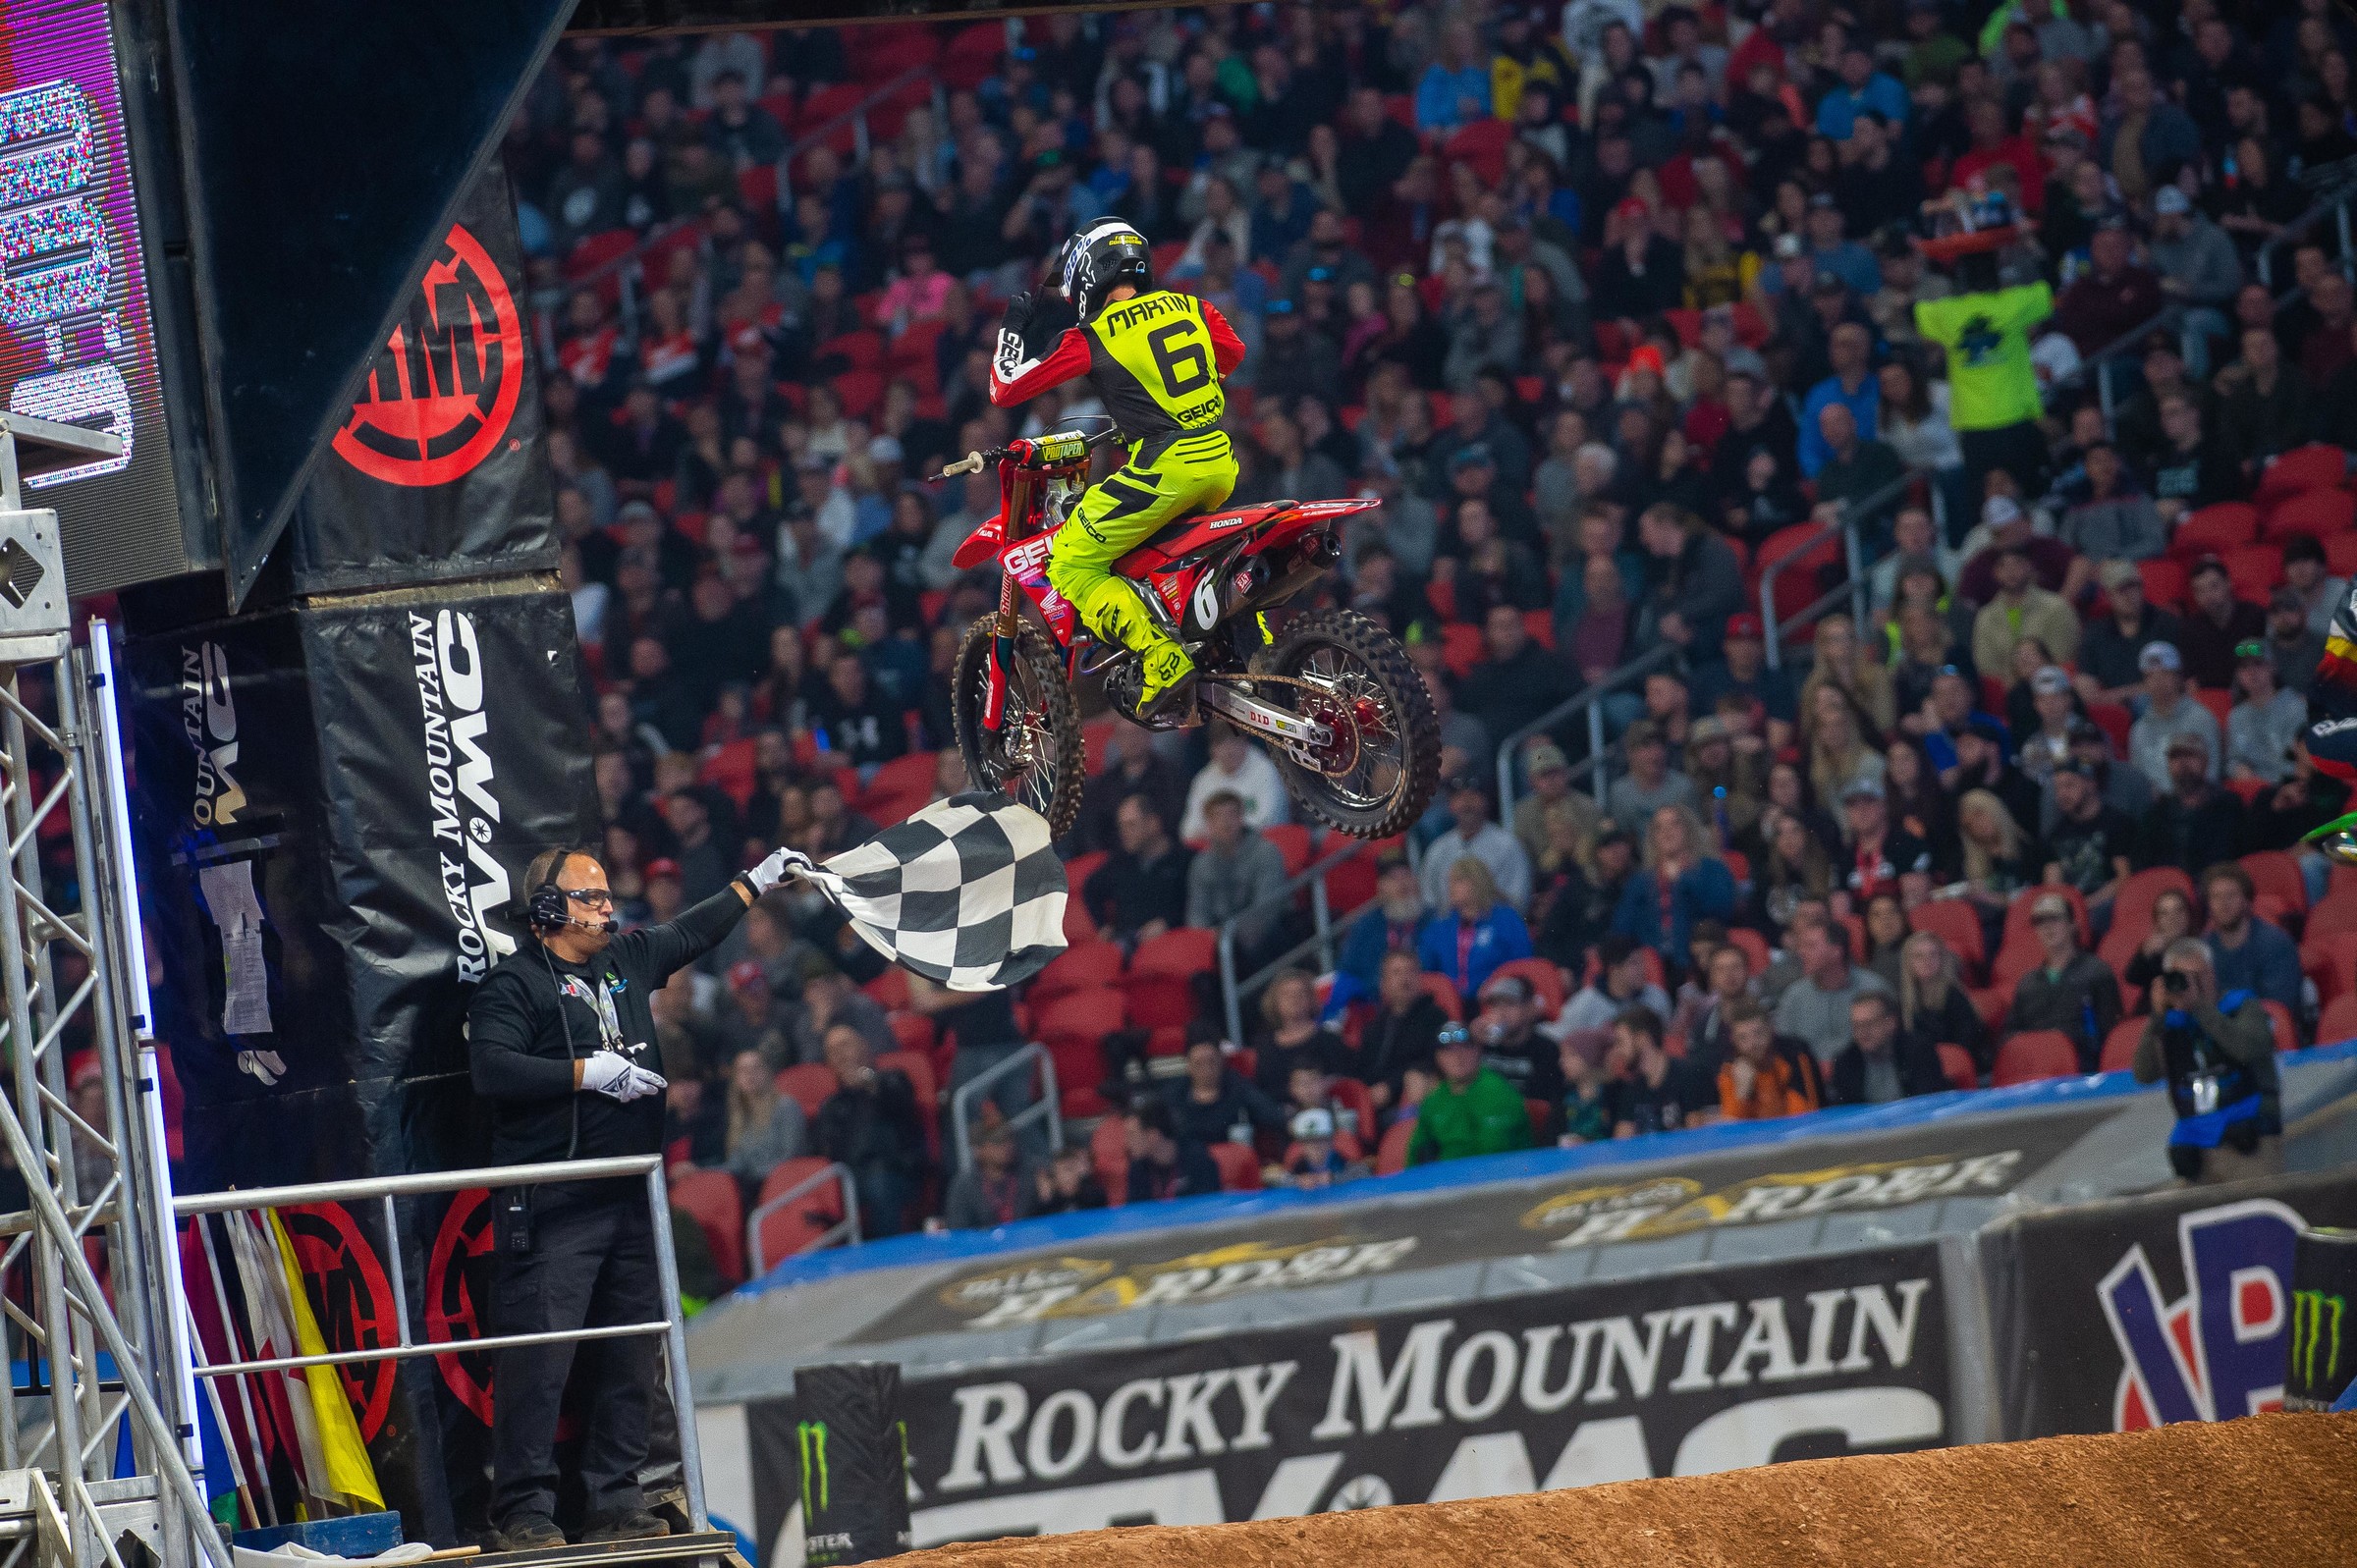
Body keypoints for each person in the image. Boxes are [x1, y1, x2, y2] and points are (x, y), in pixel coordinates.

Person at [467, 841, 788, 1549]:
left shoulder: (626, 961)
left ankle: (616, 1498)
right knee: (539, 1363)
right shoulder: (513, 984)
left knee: (629, 1359)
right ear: (549, 907)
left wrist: (751, 883)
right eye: (591, 896)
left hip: (631, 1197)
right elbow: (491, 1068)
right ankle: (523, 1509)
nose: (607, 907)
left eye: (609, 894)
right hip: (552, 1203)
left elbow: (689, 931)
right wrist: (584, 1072)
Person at [989, 221, 1248, 717]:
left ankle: (1161, 659)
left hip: (1165, 469)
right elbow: (1232, 355)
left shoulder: (1093, 335)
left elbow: (1005, 389)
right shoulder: (1193, 305)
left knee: (1067, 561)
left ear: (1089, 271)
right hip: (1220, 461)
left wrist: (1013, 329)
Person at [2133, 938, 2282, 1181]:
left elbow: (2248, 1049)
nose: (2189, 983)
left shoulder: (2241, 1006)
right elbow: (2143, 1073)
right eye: (2180, 976)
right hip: (2197, 1147)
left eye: (2196, 975)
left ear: (2211, 973)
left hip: (2250, 1139)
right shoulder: (2171, 1024)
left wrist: (2200, 1008)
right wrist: (2157, 1017)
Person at [810, 1022, 927, 1235]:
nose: (840, 1055)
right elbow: (828, 1150)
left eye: (845, 1046)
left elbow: (902, 1108)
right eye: (832, 1052)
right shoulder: (832, 1105)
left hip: (897, 1171)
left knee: (879, 1184)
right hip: (851, 1178)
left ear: (864, 1047)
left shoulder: (893, 1080)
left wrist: (869, 1083)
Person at [2004, 892, 2121, 1069]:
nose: (2047, 926)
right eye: (2040, 921)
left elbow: (2110, 1035)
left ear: (2072, 924)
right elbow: (2009, 1035)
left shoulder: (2097, 972)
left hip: (2083, 1070)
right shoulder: (2027, 983)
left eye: (2054, 918)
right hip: (2035, 1070)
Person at [1612, 804, 1736, 958]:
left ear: (1688, 830)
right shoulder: (1640, 881)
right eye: (1659, 827)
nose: (1666, 831)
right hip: (1652, 963)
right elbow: (1622, 927)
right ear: (1653, 837)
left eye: (1674, 824)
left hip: (1701, 960)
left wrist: (1685, 879)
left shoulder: (1713, 869)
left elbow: (1721, 911)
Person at [1185, 790, 1289, 967]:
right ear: (1208, 824)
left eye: (1231, 815)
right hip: (1221, 939)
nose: (1225, 823)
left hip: (1265, 936)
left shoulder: (1266, 852)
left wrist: (1228, 935)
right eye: (1217, 817)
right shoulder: (1201, 863)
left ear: (1241, 817)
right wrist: (1207, 937)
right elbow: (1197, 913)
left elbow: (1267, 908)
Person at [1407, 1022, 1535, 1163]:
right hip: (1450, 1180)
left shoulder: (1498, 1092)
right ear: (1438, 1058)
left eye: (1464, 1048)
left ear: (1477, 1051)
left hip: (1501, 1178)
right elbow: (1417, 1153)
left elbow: (1493, 1150)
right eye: (1448, 1051)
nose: (1457, 1057)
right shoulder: (1435, 1100)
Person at [1772, 920, 1891, 1068]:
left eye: (1810, 946)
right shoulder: (1793, 996)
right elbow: (1784, 1048)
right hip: (1811, 1080)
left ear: (1836, 951)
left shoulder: (1874, 989)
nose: (1801, 952)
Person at [1416, 856, 1534, 1001]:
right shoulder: (1440, 926)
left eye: (1457, 880)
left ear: (1476, 883)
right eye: (1450, 881)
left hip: (1496, 1000)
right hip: (1450, 1003)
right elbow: (1424, 967)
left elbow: (1522, 965)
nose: (1450, 886)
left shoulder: (1506, 919)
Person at [1084, 792, 1191, 946]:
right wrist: (1103, 925)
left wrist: (1168, 923)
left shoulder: (1184, 860)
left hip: (1171, 943)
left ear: (1153, 823)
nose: (1124, 833)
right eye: (1121, 826)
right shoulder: (1120, 862)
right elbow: (1091, 888)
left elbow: (1194, 904)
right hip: (1126, 943)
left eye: (1131, 825)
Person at [1420, 775, 1535, 912]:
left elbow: (1519, 900)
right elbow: (1429, 901)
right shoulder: (1438, 849)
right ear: (1451, 805)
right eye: (1460, 798)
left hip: (1496, 925)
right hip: (1450, 927)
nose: (1466, 804)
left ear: (1485, 802)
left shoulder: (1507, 844)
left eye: (1473, 797)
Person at [2201, 862, 2303, 1014]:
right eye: (2216, 897)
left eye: (2231, 895)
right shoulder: (2203, 948)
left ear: (2247, 900)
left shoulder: (2275, 944)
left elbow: (2279, 1008)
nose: (2223, 903)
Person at [2140, 732, 2245, 879]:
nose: (2183, 763)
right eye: (2175, 757)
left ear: (2205, 761)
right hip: (2170, 892)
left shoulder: (2229, 805)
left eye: (2190, 755)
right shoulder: (2157, 813)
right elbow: (2144, 865)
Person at [2044, 760, 2135, 920]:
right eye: (2058, 788)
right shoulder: (2056, 833)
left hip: (2108, 904)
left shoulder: (2118, 824)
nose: (2062, 794)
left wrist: (2085, 905)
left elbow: (2123, 878)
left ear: (2091, 784)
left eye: (2069, 785)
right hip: (2071, 909)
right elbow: (2053, 883)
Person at [1603, 1004, 1712, 1137]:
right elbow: (1622, 1142)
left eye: (1620, 1042)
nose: (1617, 1051)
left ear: (1642, 1039)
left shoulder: (1687, 1075)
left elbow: (1697, 1137)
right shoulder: (1632, 1089)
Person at [1361, 948, 1448, 1112]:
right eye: (1396, 973)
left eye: (1410, 972)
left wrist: (1391, 1087)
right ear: (1383, 983)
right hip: (1373, 1102)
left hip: (1410, 1100)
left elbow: (1433, 1061)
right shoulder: (1375, 1026)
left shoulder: (1435, 1018)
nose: (1404, 979)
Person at [2128, 644, 2220, 795]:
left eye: (2165, 674)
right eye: (2151, 676)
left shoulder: (2201, 719)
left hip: (2195, 803)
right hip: (2156, 810)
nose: (2158, 682)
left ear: (2178, 678)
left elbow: (2211, 775)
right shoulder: (2139, 730)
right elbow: (2138, 781)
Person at [1828, 991, 1948, 1104]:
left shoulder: (1918, 1051)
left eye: (1869, 1023)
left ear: (1891, 1023)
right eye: (1857, 1025)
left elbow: (1930, 1103)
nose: (1862, 1032)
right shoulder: (1845, 1062)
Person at [1166, 1036, 1286, 1147]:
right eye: (1199, 1064)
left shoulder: (1239, 1087)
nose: (1206, 1069)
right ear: (1189, 1066)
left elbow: (1272, 1114)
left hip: (1235, 1162)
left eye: (1211, 1061)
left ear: (1221, 1060)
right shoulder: (1175, 1095)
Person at [1897, 929, 1989, 1074]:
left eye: (1933, 954)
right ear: (1908, 962)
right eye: (1918, 956)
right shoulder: (1903, 1000)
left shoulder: (1955, 997)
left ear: (1942, 959)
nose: (1926, 961)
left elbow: (1964, 1047)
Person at [1553, 932, 1672, 1038]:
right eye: (1633, 963)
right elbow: (1562, 1039)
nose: (1642, 969)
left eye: (1642, 962)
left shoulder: (1657, 998)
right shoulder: (1584, 1004)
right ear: (1613, 969)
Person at [719, 1048, 806, 1189]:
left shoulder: (786, 1106)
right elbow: (736, 1165)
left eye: (756, 1068)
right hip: (751, 1186)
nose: (750, 1074)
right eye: (743, 1070)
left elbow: (791, 1157)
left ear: (767, 1072)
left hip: (785, 1185)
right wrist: (699, 1171)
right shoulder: (739, 1116)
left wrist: (753, 1176)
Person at [1717, 1000, 1815, 1120]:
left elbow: (1806, 1115)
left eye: (1758, 1033)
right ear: (1733, 1040)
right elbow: (1731, 1128)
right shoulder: (1729, 1070)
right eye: (1743, 1037)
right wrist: (1742, 1093)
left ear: (1770, 1030)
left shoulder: (1793, 1056)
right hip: (1754, 1138)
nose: (1753, 1043)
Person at [2227, 640, 2307, 785]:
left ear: (2272, 667)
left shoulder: (2296, 707)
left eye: (2258, 664)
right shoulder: (2236, 716)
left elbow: (2299, 761)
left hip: (2290, 785)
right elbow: (2233, 759)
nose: (2251, 672)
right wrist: (2237, 768)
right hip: (2254, 790)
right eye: (2244, 667)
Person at [1124, 1095, 1224, 1200]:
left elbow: (1211, 1205)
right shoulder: (1137, 1168)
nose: (1126, 1143)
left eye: (1132, 1135)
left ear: (1153, 1136)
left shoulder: (1198, 1159)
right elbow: (1134, 1210)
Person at [941, 1119, 1028, 1229]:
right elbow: (958, 1230)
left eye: (1009, 1140)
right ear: (978, 1149)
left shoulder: (1028, 1173)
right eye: (997, 1142)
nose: (1006, 1146)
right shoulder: (964, 1186)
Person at [1280, 1108, 1367, 1188]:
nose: (1315, 1146)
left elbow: (1362, 1171)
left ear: (1331, 1141)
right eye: (1308, 1142)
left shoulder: (1342, 1161)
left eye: (1321, 1140)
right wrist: (1298, 1182)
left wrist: (1333, 1178)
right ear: (1300, 1145)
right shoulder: (1298, 1166)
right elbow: (1280, 1180)